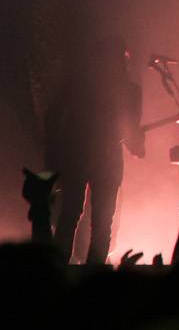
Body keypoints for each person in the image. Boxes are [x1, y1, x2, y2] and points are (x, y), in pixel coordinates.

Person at [46, 33, 143, 266]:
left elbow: (53, 117)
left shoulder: (78, 85)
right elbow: (132, 135)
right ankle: (92, 276)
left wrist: (59, 145)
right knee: (99, 222)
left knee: (72, 215)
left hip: (81, 155)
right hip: (99, 158)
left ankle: (58, 271)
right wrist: (137, 144)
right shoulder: (129, 91)